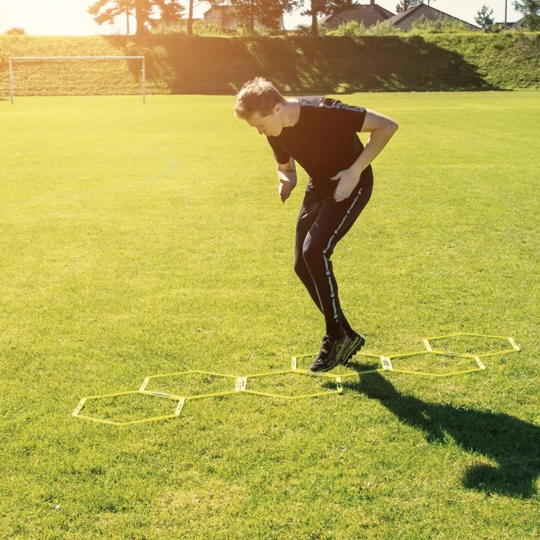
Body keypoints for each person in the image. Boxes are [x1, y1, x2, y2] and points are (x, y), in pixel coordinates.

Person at [234, 77, 398, 373]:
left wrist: (354, 171)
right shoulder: (276, 130)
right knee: (301, 263)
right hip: (320, 187)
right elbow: (286, 168)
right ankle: (346, 335)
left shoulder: (327, 111)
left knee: (315, 252)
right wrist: (285, 180)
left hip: (351, 184)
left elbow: (387, 126)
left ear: (276, 108)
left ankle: (335, 336)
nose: (260, 133)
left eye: (260, 125)